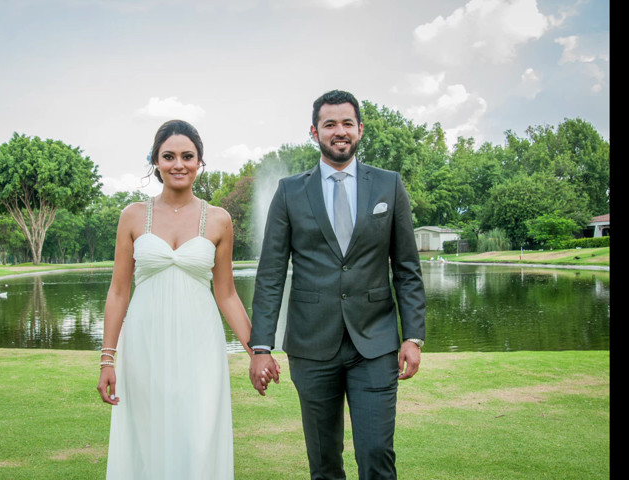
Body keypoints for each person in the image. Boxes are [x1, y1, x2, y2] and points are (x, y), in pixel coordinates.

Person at [248, 90, 426, 480]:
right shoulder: (290, 191)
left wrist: (413, 336)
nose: (339, 131)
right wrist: (260, 347)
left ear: (360, 129)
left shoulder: (388, 185)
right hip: (312, 347)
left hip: (375, 344)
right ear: (315, 132)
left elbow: (407, 268)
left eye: (347, 123)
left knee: (377, 454)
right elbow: (271, 275)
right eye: (330, 124)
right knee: (325, 464)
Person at [96, 119, 280, 479]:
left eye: (187, 156)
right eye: (168, 156)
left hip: (200, 344)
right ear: (155, 161)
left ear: (199, 162)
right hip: (145, 343)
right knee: (145, 436)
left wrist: (257, 351)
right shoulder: (132, 216)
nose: (178, 164)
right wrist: (107, 360)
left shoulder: (219, 219)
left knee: (198, 434)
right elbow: (119, 291)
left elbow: (226, 294)